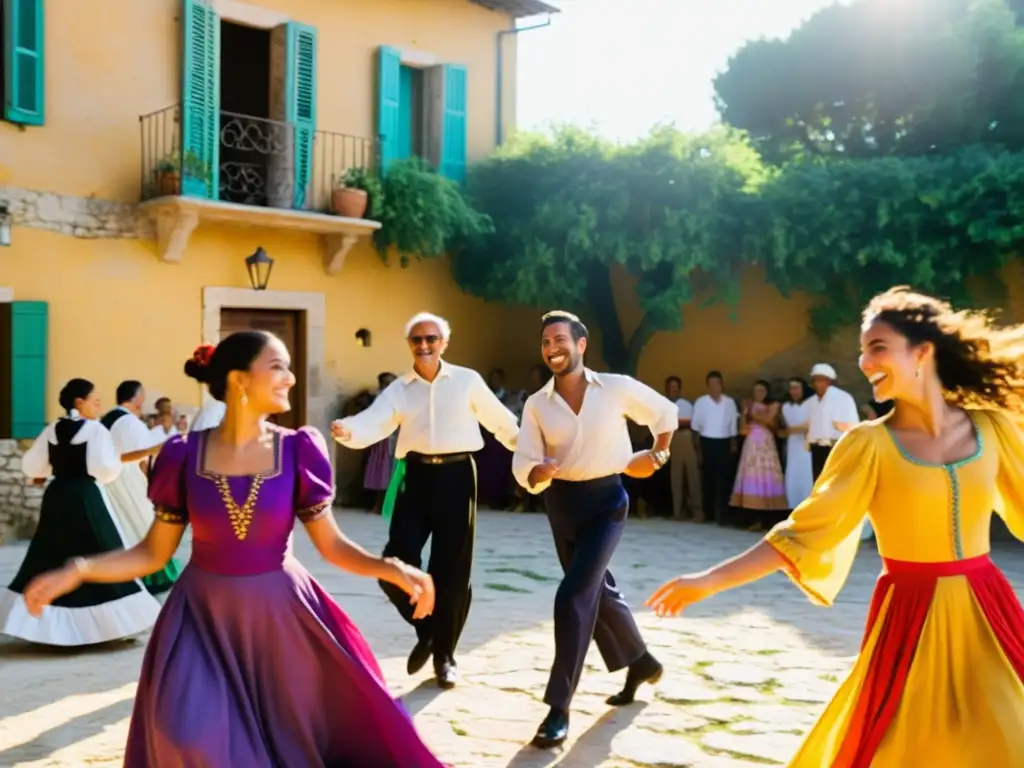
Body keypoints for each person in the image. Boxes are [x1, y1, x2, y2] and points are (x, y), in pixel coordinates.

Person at [21, 333, 446, 767]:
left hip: (280, 619)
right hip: (200, 619)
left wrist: (391, 567)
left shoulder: (299, 449)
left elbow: (331, 545)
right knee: (188, 733)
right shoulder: (183, 455)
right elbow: (152, 553)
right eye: (277, 366)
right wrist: (78, 569)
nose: (291, 377)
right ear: (240, 380)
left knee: (291, 741)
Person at [646, 286, 1024, 767]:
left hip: (989, 611)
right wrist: (709, 580)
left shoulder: (991, 429)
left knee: (1010, 736)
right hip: (910, 617)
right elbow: (800, 535)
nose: (864, 362)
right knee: (902, 750)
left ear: (922, 353)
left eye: (877, 348)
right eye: (863, 350)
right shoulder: (868, 444)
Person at [332, 312, 519, 690]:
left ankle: (444, 656)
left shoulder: (467, 381)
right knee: (396, 560)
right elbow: (373, 421)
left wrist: (531, 453)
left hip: (458, 475)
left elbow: (502, 421)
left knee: (452, 569)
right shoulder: (400, 389)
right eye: (417, 340)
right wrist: (348, 430)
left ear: (444, 343)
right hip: (415, 476)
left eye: (431, 338)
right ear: (410, 345)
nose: (424, 345)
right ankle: (429, 629)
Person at [513, 310, 673, 749]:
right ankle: (640, 661)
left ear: (581, 345)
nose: (552, 348)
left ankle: (557, 708)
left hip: (607, 504)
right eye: (546, 342)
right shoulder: (537, 404)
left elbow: (665, 414)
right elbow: (523, 459)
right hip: (561, 504)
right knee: (596, 591)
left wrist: (656, 457)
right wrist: (536, 471)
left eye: (560, 339)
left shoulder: (617, 388)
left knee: (573, 596)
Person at [0, 379, 161, 645]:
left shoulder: (52, 428)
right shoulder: (95, 430)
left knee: (50, 553)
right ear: (80, 402)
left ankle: (43, 622)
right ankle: (104, 627)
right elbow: (106, 469)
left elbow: (33, 466)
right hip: (86, 496)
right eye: (95, 401)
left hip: (57, 495)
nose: (98, 406)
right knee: (102, 552)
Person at [101, 379, 180, 594]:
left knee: (124, 526)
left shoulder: (107, 419)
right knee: (143, 524)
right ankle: (153, 575)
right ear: (136, 398)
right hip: (129, 479)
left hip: (110, 480)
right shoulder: (130, 423)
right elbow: (143, 457)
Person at [730, 379, 788, 528]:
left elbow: (770, 423)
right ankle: (751, 517)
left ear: (767, 392)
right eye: (756, 391)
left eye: (762, 390)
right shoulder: (749, 406)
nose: (758, 393)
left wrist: (753, 414)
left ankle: (767, 518)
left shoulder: (773, 406)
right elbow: (743, 430)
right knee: (751, 480)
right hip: (751, 445)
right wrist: (744, 414)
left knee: (766, 479)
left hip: (766, 445)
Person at [691, 371, 739, 525]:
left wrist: (733, 443)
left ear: (721, 385)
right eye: (711, 384)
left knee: (724, 480)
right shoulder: (701, 402)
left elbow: (733, 425)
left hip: (724, 442)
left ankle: (723, 516)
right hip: (707, 441)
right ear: (707, 386)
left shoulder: (729, 402)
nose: (714, 387)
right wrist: (698, 449)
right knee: (707, 479)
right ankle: (708, 513)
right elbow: (695, 428)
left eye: (717, 384)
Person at [805, 362, 859, 480]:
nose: (817, 384)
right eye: (814, 380)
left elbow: (852, 425)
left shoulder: (842, 397)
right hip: (817, 448)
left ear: (828, 381)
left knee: (836, 482)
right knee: (819, 482)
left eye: (820, 380)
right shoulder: (812, 401)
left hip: (835, 446)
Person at [665, 375, 702, 521]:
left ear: (679, 389)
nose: (673, 390)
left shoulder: (686, 404)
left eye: (675, 387)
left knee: (692, 475)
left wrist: (673, 423)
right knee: (676, 476)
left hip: (685, 438)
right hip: (671, 439)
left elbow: (689, 424)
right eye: (670, 387)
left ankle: (697, 512)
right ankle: (678, 512)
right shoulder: (664, 403)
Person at [780, 377, 814, 509]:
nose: (793, 391)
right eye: (791, 388)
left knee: (807, 477)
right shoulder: (786, 407)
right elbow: (782, 430)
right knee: (792, 477)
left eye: (796, 388)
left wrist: (791, 430)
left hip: (808, 447)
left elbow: (811, 426)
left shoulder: (811, 403)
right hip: (792, 447)